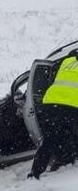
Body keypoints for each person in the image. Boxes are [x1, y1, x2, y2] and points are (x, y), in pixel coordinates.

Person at [29, 50, 78, 179]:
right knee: (71, 134)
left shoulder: (67, 61)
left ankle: (35, 172)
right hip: (71, 104)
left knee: (50, 139)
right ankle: (67, 161)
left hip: (50, 103)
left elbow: (51, 76)